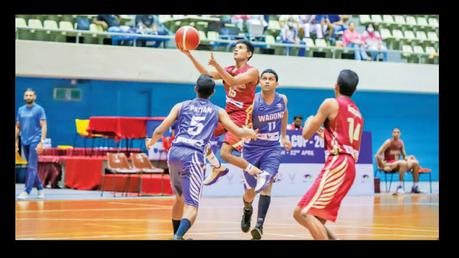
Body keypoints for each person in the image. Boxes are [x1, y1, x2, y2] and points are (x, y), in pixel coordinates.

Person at [146, 75, 257, 240]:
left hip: (175, 152)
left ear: (195, 89)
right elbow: (238, 132)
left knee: (179, 198)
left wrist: (151, 142)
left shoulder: (180, 105)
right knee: (192, 206)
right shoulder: (218, 111)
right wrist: (250, 132)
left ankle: (177, 235)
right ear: (212, 92)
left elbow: (159, 130)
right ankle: (178, 237)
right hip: (193, 156)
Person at [179, 40, 265, 186]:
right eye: (235, 48)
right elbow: (206, 74)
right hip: (227, 114)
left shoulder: (253, 71)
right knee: (199, 136)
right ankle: (217, 167)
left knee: (225, 153)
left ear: (249, 54)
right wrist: (189, 55)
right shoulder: (229, 69)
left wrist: (216, 64)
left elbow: (232, 81)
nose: (236, 50)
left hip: (242, 116)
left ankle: (258, 173)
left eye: (240, 48)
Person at [293, 69, 364, 240]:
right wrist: (326, 133)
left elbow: (305, 134)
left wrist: (310, 119)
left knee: (305, 213)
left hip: (338, 163)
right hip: (349, 165)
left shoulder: (331, 103)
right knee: (300, 212)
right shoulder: (358, 113)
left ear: (336, 86)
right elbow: (345, 138)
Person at [240, 69, 292, 240]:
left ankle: (259, 226)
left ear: (277, 83)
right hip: (252, 148)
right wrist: (245, 132)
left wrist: (284, 136)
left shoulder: (282, 99)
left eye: (271, 79)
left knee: (267, 182)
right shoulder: (253, 100)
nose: (268, 81)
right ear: (260, 82)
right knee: (250, 191)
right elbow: (242, 122)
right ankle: (248, 209)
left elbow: (284, 115)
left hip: (272, 147)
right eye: (264, 78)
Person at [16, 88, 47, 200]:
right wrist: (16, 142)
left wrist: (41, 142)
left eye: (30, 95)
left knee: (31, 166)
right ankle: (40, 188)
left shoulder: (39, 109)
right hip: (24, 141)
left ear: (34, 97)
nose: (28, 97)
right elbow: (17, 127)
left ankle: (26, 190)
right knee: (31, 166)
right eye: (26, 95)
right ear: (24, 97)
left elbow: (44, 126)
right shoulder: (20, 110)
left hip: (36, 140)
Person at [375, 128, 422, 195]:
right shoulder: (388, 142)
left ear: (400, 134)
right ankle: (399, 187)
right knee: (402, 163)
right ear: (392, 133)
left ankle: (415, 186)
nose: (396, 133)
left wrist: (409, 157)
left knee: (415, 162)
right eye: (394, 132)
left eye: (397, 132)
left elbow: (404, 156)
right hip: (389, 165)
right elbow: (377, 155)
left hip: (399, 164)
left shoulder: (401, 143)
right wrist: (382, 166)